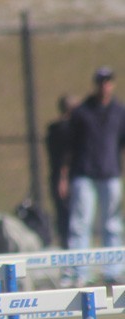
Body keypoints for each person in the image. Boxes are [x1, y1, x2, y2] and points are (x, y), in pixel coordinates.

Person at [59, 66, 125, 287]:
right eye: (100, 81)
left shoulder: (119, 111)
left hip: (110, 173)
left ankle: (113, 270)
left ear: (112, 84)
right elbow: (68, 147)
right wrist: (64, 176)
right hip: (84, 173)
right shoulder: (82, 112)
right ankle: (80, 271)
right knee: (81, 223)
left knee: (112, 224)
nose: (104, 86)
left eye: (107, 81)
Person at [45, 94, 79, 250]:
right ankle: (70, 253)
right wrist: (63, 178)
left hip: (60, 177)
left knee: (68, 217)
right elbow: (64, 157)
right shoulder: (64, 130)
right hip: (64, 178)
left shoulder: (54, 129)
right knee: (68, 218)